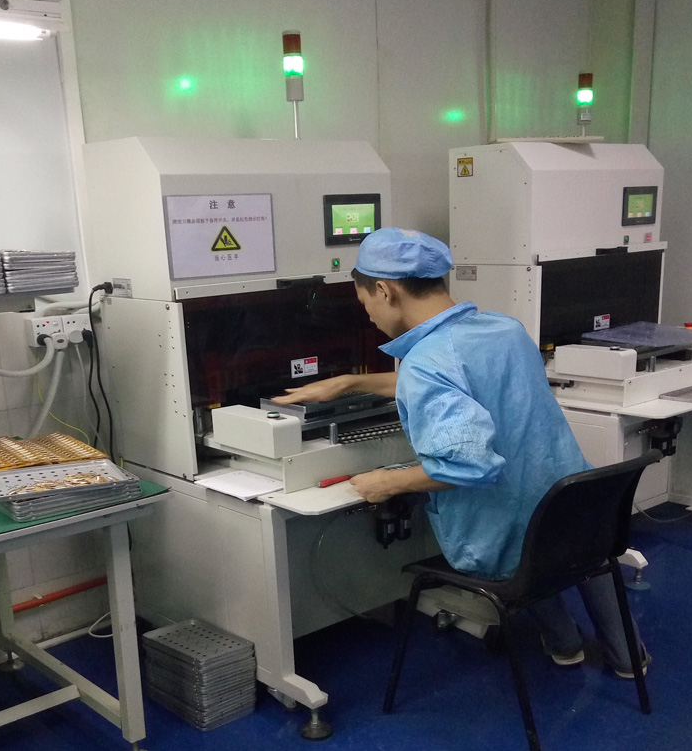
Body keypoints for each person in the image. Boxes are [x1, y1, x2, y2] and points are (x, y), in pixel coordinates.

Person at [273, 227, 648, 677]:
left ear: (384, 290)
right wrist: (351, 383)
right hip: (578, 510)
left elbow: (468, 464)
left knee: (522, 551)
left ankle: (565, 644)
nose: (369, 315)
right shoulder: (505, 330)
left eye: (365, 303)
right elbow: (452, 372)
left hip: (507, 537)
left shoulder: (426, 363)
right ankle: (628, 658)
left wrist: (387, 481)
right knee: (575, 552)